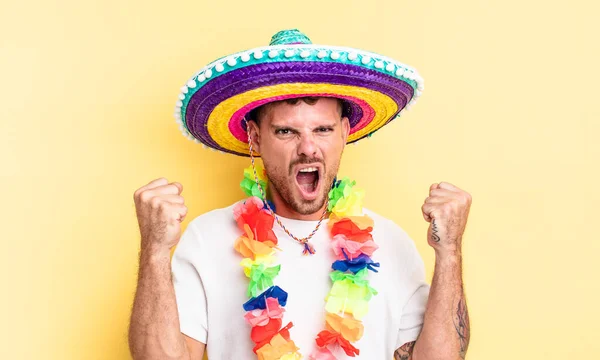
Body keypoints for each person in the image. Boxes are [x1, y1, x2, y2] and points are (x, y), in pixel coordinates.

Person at [128, 29, 472, 360]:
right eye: (286, 131)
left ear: (344, 133)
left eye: (322, 129)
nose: (308, 149)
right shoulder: (207, 239)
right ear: (255, 137)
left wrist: (450, 251)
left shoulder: (391, 243)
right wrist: (156, 249)